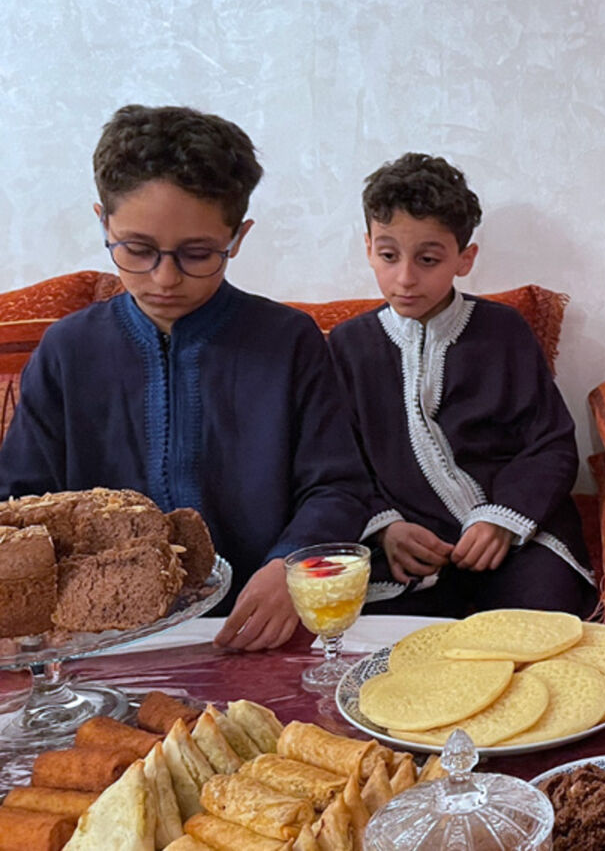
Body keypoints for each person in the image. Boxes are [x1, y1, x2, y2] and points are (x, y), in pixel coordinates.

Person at [0, 104, 373, 650]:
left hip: (254, 621)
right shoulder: (68, 350)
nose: (165, 278)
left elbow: (337, 486)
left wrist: (290, 570)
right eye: (137, 250)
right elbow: (19, 502)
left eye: (198, 253)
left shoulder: (289, 341)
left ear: (238, 236)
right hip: (100, 637)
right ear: (103, 220)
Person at [329, 152, 595, 617]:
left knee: (542, 637)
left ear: (464, 258)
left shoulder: (503, 331)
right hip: (410, 549)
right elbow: (334, 458)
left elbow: (550, 441)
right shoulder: (348, 345)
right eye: (389, 255)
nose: (406, 278)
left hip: (520, 534)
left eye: (428, 259)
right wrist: (384, 528)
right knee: (399, 658)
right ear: (368, 247)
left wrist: (502, 520)